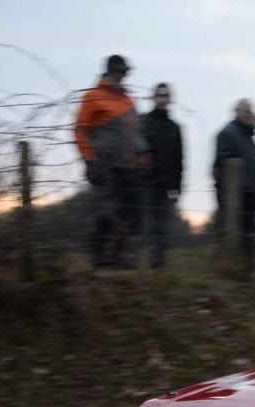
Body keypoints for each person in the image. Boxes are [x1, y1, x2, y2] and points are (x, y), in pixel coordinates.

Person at [74, 54, 147, 268]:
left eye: (123, 72)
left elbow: (138, 134)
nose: (121, 76)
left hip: (131, 168)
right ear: (108, 71)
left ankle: (121, 259)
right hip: (105, 167)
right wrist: (90, 161)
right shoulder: (92, 96)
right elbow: (80, 130)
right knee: (108, 212)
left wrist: (144, 160)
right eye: (117, 71)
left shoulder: (129, 100)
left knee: (131, 214)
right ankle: (98, 258)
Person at [213, 99, 255, 272]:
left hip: (251, 199)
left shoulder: (248, 137)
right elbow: (222, 167)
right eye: (246, 111)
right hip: (237, 201)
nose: (250, 114)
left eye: (251, 111)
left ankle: (247, 271)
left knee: (249, 238)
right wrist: (236, 192)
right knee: (234, 237)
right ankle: (231, 270)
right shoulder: (228, 134)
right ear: (236, 112)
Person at [140, 83, 183, 269]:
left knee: (162, 227)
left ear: (169, 99)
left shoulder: (174, 128)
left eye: (165, 96)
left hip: (166, 185)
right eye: (159, 95)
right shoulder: (144, 122)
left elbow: (179, 158)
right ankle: (136, 267)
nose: (162, 99)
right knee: (141, 224)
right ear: (153, 97)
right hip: (144, 183)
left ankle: (158, 267)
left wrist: (177, 186)